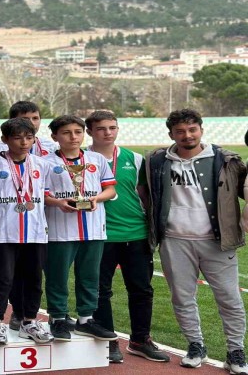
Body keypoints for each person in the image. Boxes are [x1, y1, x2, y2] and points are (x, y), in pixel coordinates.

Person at [147, 109, 247, 372]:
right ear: (171, 134)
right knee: (182, 298)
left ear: (201, 130)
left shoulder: (226, 159)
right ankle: (195, 345)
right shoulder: (157, 161)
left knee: (229, 298)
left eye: (192, 129)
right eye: (180, 131)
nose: (187, 135)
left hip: (217, 241)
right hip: (174, 241)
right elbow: (145, 194)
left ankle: (235, 351)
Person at [85, 110, 169, 364]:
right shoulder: (82, 159)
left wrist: (152, 228)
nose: (108, 133)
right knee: (100, 291)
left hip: (136, 233)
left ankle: (140, 340)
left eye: (112, 127)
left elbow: (144, 195)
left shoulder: (134, 158)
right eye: (101, 128)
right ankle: (109, 341)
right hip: (100, 235)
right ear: (90, 132)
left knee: (142, 289)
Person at [42, 115, 117, 342]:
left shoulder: (96, 159)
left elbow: (110, 190)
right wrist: (58, 202)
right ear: (54, 136)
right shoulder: (45, 162)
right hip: (60, 229)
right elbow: (41, 194)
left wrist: (96, 198)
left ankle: (86, 319)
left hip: (93, 228)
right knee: (57, 276)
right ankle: (58, 318)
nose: (73, 137)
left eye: (77, 132)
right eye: (66, 132)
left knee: (90, 276)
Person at [0, 118, 54, 346]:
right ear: (4, 140)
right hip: (5, 231)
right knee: (3, 279)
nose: (24, 143)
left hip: (36, 232)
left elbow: (45, 194)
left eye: (29, 138)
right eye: (17, 138)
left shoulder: (41, 165)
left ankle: (29, 321)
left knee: (34, 279)